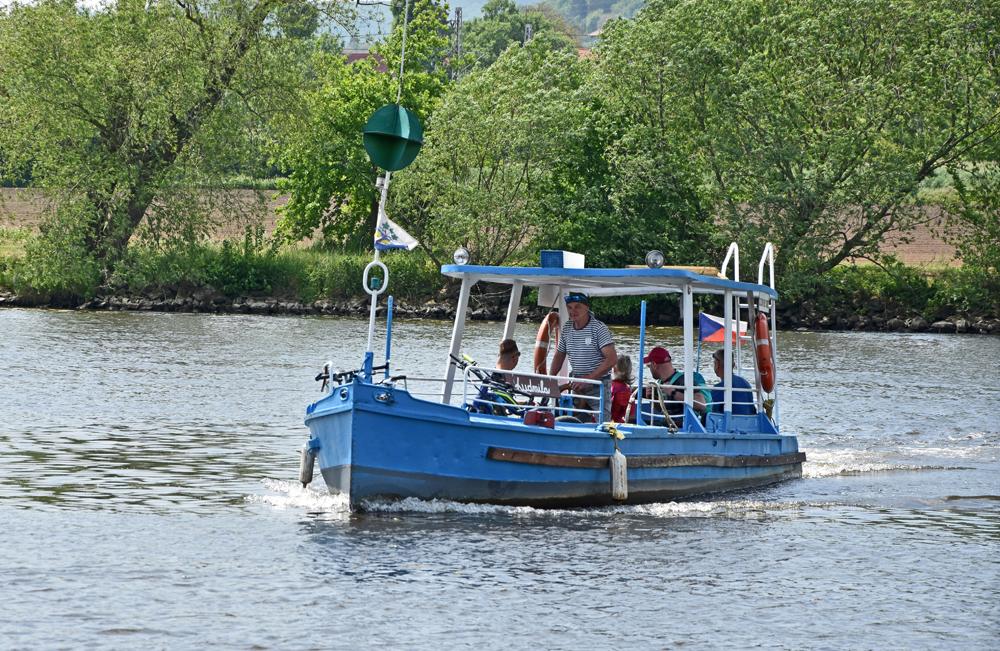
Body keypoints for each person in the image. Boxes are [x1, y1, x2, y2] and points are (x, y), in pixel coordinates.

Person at [548, 292, 617, 422]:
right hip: (576, 384)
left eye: (577, 306)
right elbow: (559, 355)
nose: (573, 311)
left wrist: (588, 379)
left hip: (599, 385)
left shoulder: (599, 328)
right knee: (574, 419)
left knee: (603, 422)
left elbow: (612, 359)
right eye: (569, 307)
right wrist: (550, 379)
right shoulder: (567, 328)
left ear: (586, 308)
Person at [641, 346, 710, 427]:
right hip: (667, 425)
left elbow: (701, 405)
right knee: (632, 421)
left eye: (649, 366)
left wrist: (673, 392)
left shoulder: (684, 380)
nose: (650, 369)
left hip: (684, 427)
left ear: (654, 365)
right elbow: (663, 410)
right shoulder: (660, 382)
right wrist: (652, 398)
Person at [710, 348, 756, 416]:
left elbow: (713, 413)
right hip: (749, 423)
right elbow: (752, 410)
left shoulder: (719, 388)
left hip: (728, 424)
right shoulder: (745, 383)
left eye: (714, 363)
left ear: (717, 364)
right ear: (733, 365)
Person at [610, 355, 634, 423]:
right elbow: (630, 415)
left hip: (611, 424)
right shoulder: (626, 389)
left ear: (614, 368)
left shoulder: (612, 387)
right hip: (616, 423)